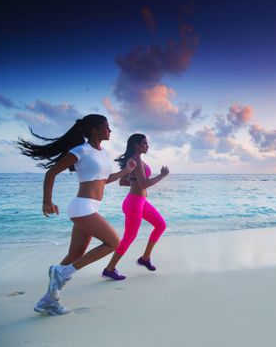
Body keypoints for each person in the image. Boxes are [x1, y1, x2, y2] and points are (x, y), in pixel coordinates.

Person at [17, 114, 136, 315]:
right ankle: (63, 271)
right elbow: (51, 173)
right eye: (106, 127)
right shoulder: (80, 151)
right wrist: (47, 201)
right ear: (94, 130)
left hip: (91, 207)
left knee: (75, 254)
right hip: (82, 207)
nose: (110, 131)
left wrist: (126, 171)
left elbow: (103, 180)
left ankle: (48, 300)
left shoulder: (103, 153)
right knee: (114, 243)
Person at [102, 133, 169, 280]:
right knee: (129, 236)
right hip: (134, 203)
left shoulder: (134, 160)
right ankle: (109, 269)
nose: (147, 146)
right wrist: (162, 175)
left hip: (140, 202)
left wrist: (135, 181)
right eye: (144, 143)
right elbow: (144, 184)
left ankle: (145, 258)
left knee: (160, 225)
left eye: (147, 143)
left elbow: (123, 182)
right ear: (136, 145)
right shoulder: (136, 161)